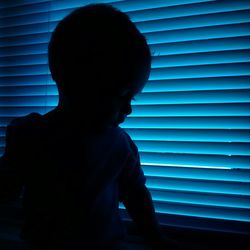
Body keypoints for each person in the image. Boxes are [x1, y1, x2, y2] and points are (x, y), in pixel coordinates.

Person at [0, 4, 179, 250]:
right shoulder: (31, 134)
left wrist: (155, 238)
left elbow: (136, 194)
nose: (128, 109)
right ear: (71, 79)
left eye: (132, 97)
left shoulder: (121, 144)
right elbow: (7, 188)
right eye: (121, 94)